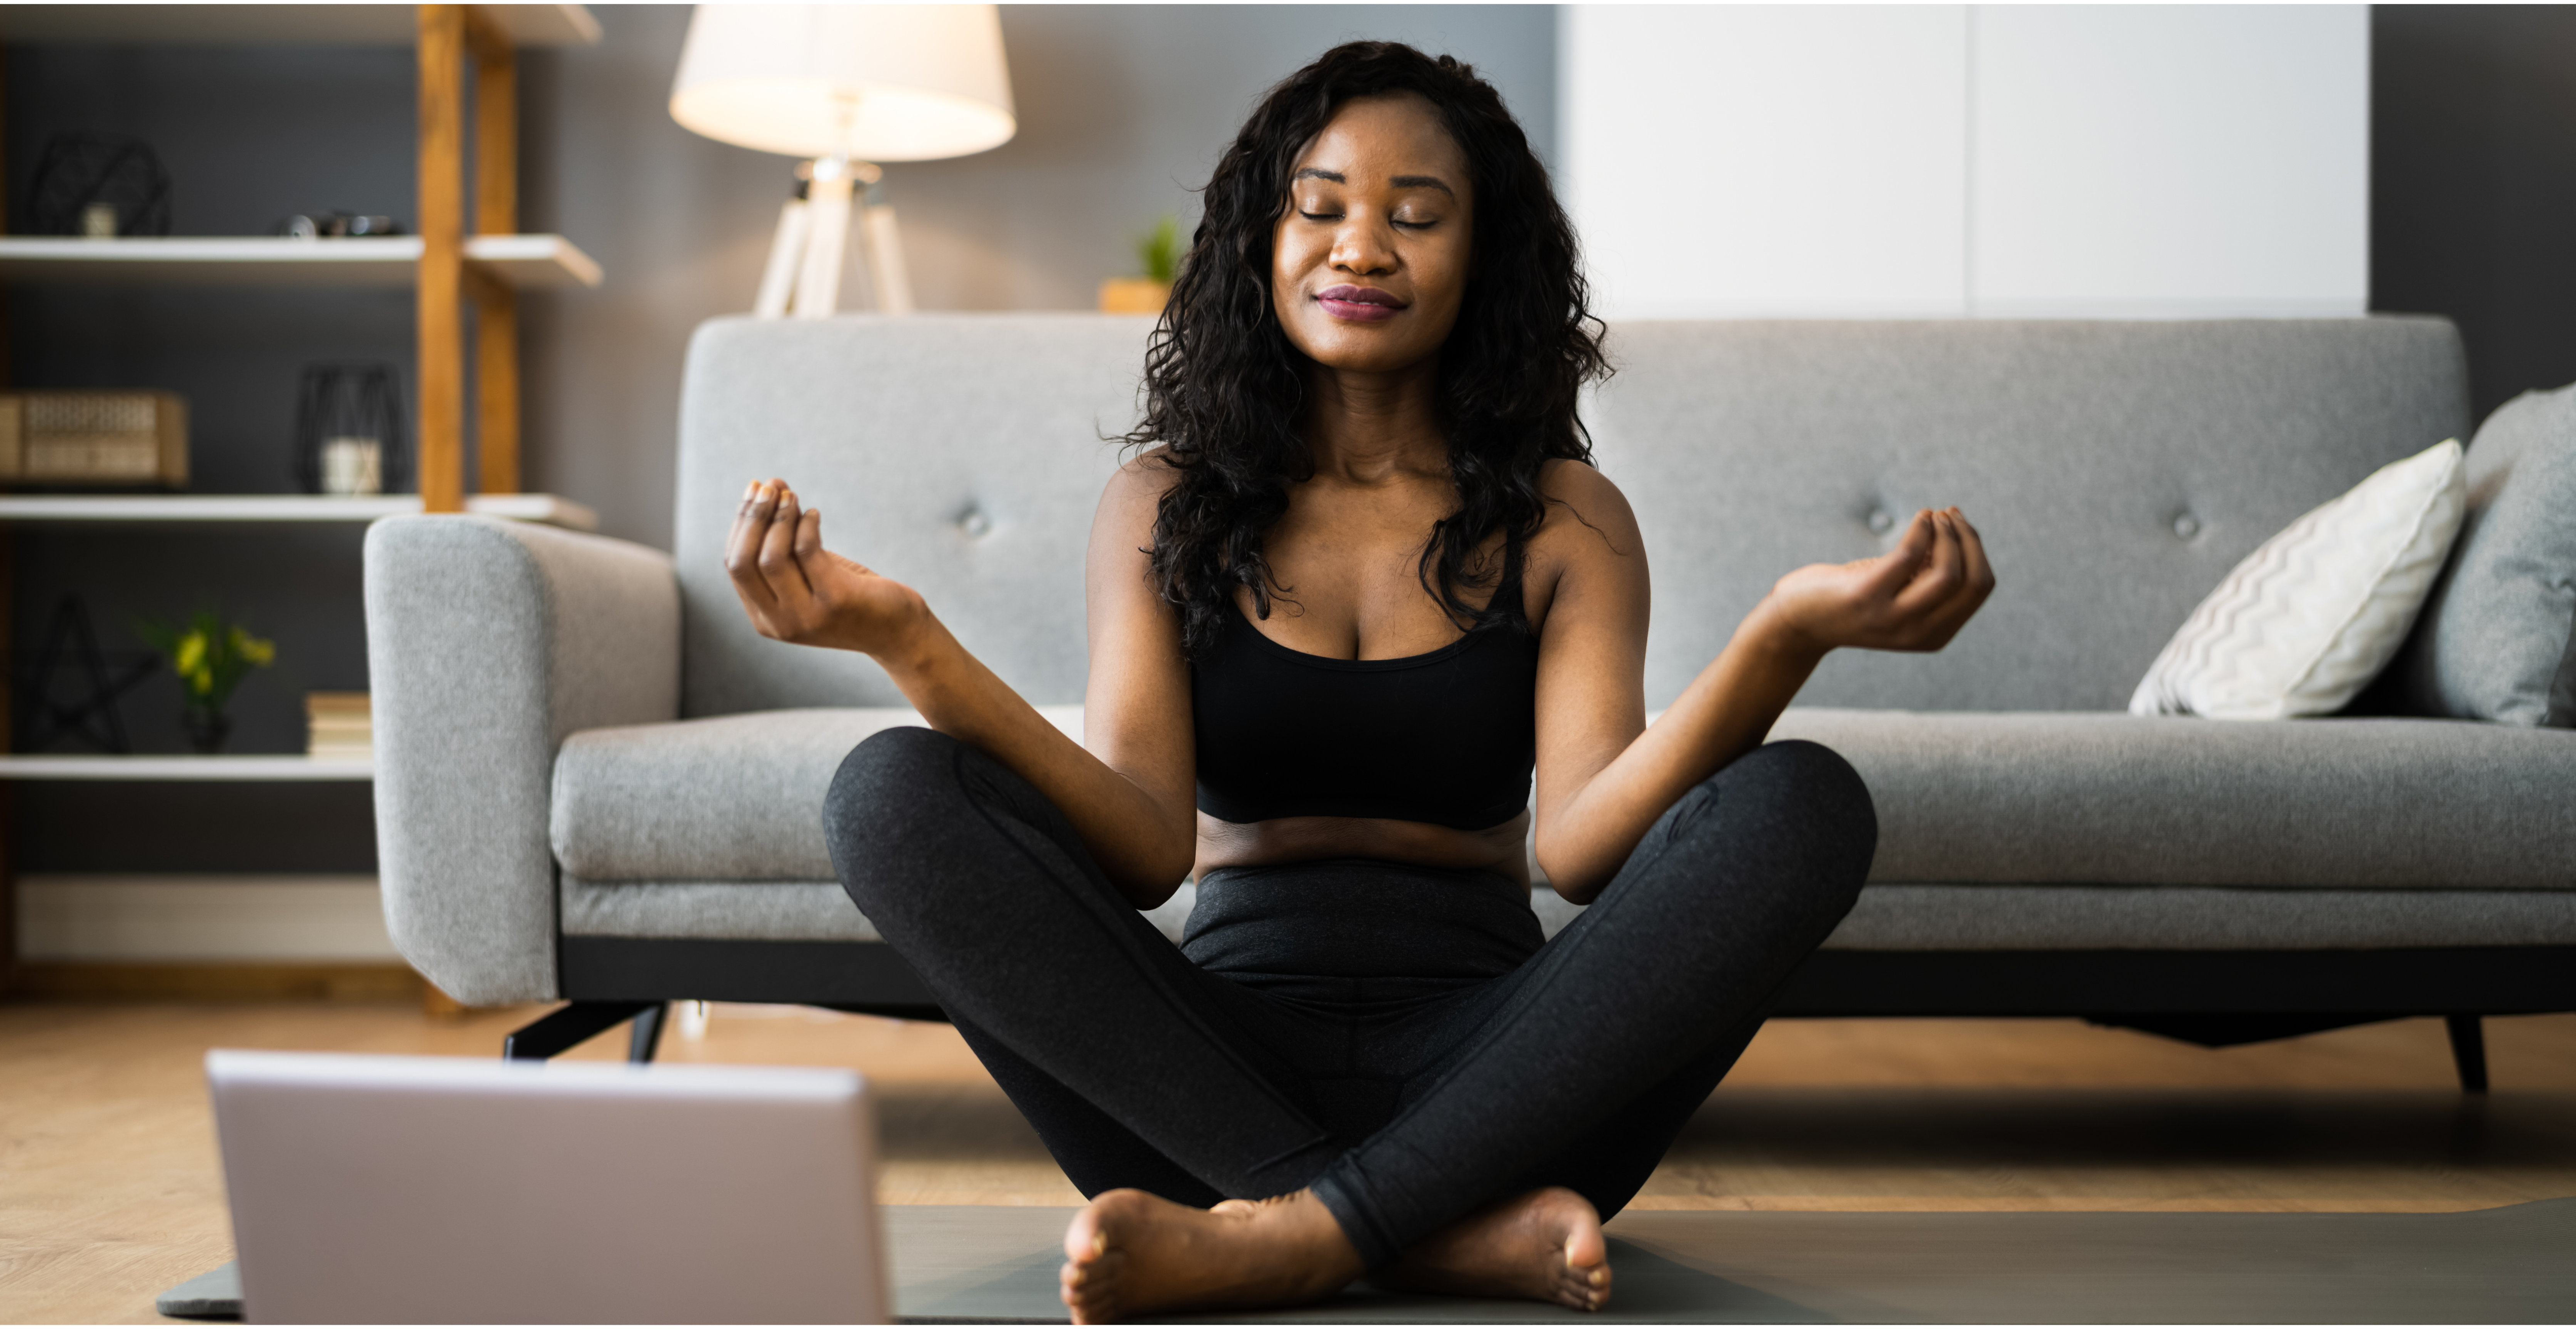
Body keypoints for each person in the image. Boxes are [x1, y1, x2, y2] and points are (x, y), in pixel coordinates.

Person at [722, 40, 1994, 1325]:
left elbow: (1590, 846)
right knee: (890, 788)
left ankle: (1299, 1237)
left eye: (1416, 216)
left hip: (1507, 1085)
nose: (1361, 248)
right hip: (1202, 1089)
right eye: (1319, 208)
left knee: (1802, 803)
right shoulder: (1162, 504)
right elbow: (1148, 850)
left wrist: (1784, 635)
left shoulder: (1568, 519)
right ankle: (1417, 1238)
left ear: (1483, 256)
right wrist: (912, 643)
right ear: (1257, 246)